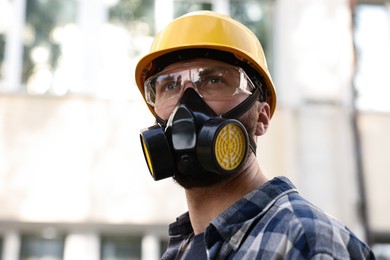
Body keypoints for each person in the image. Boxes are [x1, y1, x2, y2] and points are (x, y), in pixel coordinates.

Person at [135, 10, 375, 259]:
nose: (185, 106)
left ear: (261, 117)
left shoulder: (308, 241)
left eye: (213, 80)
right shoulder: (178, 253)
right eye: (170, 86)